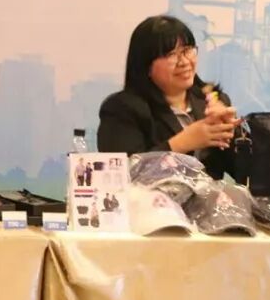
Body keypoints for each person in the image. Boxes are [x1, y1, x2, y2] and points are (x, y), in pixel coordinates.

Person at [98, 15, 240, 180]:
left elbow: (246, 173)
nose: (184, 62)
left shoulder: (212, 101)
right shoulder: (122, 109)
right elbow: (121, 175)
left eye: (187, 50)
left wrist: (232, 133)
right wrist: (181, 143)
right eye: (171, 54)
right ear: (146, 65)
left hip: (210, 197)